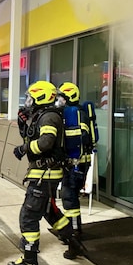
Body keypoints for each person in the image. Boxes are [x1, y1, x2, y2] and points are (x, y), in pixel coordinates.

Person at [7, 80, 86, 265]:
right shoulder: (45, 115)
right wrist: (23, 123)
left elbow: (45, 142)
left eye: (31, 97)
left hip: (44, 173)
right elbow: (34, 135)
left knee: (28, 216)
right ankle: (74, 242)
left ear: (41, 97)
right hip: (47, 173)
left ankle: (30, 259)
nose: (28, 101)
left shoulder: (49, 117)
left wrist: (24, 148)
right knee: (49, 212)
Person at [56, 82, 93, 237]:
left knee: (70, 196)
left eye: (62, 98)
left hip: (77, 163)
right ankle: (71, 229)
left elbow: (81, 137)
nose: (59, 100)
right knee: (68, 196)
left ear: (69, 97)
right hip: (73, 162)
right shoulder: (70, 112)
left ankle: (75, 231)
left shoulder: (77, 113)